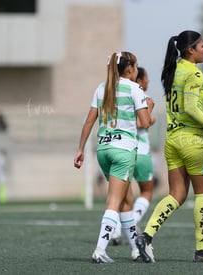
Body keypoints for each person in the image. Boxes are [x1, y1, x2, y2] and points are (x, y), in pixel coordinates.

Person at [135, 30, 203, 263]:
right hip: (193, 142)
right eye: (202, 46)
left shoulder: (172, 70)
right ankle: (202, 251)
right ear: (190, 50)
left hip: (173, 140)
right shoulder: (194, 74)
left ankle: (146, 237)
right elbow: (190, 107)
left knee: (176, 195)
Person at [73, 51, 153, 264]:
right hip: (123, 151)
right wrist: (149, 107)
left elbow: (89, 121)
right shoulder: (135, 88)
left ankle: (137, 250)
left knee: (127, 202)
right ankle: (100, 250)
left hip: (104, 150)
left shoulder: (101, 88)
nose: (136, 70)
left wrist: (80, 149)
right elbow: (145, 123)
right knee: (114, 202)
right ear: (129, 69)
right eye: (135, 66)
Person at [111, 67, 157, 252]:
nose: (148, 82)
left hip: (122, 150)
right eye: (146, 79)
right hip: (140, 151)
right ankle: (131, 222)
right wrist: (151, 115)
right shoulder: (140, 95)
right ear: (141, 80)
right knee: (146, 191)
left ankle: (115, 229)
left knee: (120, 197)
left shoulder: (118, 96)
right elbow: (140, 123)